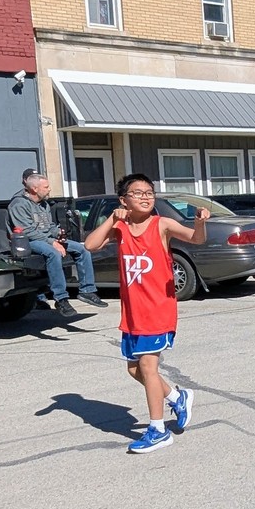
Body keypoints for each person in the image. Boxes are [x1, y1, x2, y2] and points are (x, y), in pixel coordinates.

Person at [83, 173, 206, 454]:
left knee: (149, 369)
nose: (145, 197)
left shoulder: (162, 224)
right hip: (132, 313)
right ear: (124, 200)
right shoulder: (120, 227)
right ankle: (176, 397)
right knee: (134, 369)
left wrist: (200, 223)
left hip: (157, 310)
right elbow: (90, 245)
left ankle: (158, 430)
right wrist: (112, 218)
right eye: (138, 193)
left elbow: (196, 238)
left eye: (149, 192)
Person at [8, 172, 108, 317]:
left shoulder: (43, 204)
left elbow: (49, 226)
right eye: (46, 187)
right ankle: (61, 299)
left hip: (46, 238)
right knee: (52, 253)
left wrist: (58, 233)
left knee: (82, 249)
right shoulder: (19, 204)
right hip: (28, 241)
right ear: (34, 189)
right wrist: (52, 243)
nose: (49, 189)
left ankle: (87, 290)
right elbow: (27, 231)